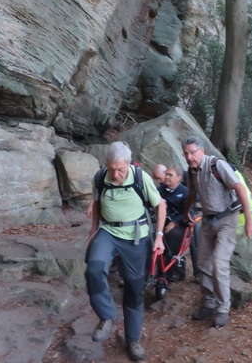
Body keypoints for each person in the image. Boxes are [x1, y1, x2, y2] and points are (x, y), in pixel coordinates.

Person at [85, 142, 166, 361]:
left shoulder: (141, 178)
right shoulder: (100, 177)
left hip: (135, 236)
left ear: (128, 164)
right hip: (108, 231)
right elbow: (97, 204)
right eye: (112, 168)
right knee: (94, 268)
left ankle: (133, 339)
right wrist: (93, 232)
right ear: (106, 164)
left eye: (120, 169)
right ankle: (106, 316)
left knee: (134, 287)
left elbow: (161, 206)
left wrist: (159, 236)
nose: (116, 174)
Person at [181, 136, 252, 328]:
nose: (189, 157)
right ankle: (210, 302)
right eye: (186, 154)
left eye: (192, 152)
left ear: (202, 151)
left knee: (219, 262)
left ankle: (223, 307)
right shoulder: (191, 172)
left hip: (228, 218)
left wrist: (249, 220)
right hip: (207, 219)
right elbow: (191, 194)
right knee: (203, 263)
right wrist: (185, 212)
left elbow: (239, 188)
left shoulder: (216, 165)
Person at [157, 163, 200, 281]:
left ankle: (166, 275)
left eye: (170, 175)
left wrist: (175, 222)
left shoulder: (185, 192)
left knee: (172, 235)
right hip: (161, 222)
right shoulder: (159, 190)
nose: (166, 177)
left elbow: (189, 213)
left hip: (180, 225)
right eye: (166, 174)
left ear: (179, 178)